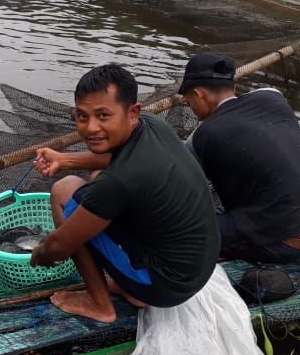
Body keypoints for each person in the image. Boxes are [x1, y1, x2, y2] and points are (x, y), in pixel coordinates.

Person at [30, 64, 219, 322]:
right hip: (197, 268)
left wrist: (41, 254)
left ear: (132, 112)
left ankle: (99, 304)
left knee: (65, 191)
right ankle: (132, 285)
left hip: (166, 286)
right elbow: (116, 160)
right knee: (94, 180)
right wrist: (64, 160)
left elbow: (60, 247)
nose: (91, 128)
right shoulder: (152, 126)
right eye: (82, 116)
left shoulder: (119, 181)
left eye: (103, 116)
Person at [178, 52, 300, 263]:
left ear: (199, 94)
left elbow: (173, 180)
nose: (192, 109)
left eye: (188, 101)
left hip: (285, 243)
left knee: (178, 229)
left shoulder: (203, 135)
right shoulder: (271, 96)